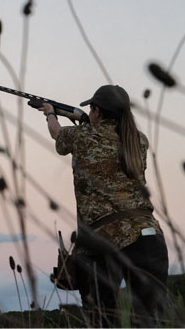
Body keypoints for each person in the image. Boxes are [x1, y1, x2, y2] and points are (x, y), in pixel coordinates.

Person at [39, 85, 168, 327]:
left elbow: (57, 134)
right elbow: (107, 136)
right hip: (150, 240)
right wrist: (82, 118)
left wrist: (50, 113)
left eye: (91, 109)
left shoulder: (83, 137)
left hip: (104, 245)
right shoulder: (139, 140)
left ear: (97, 110)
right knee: (150, 323)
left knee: (103, 321)